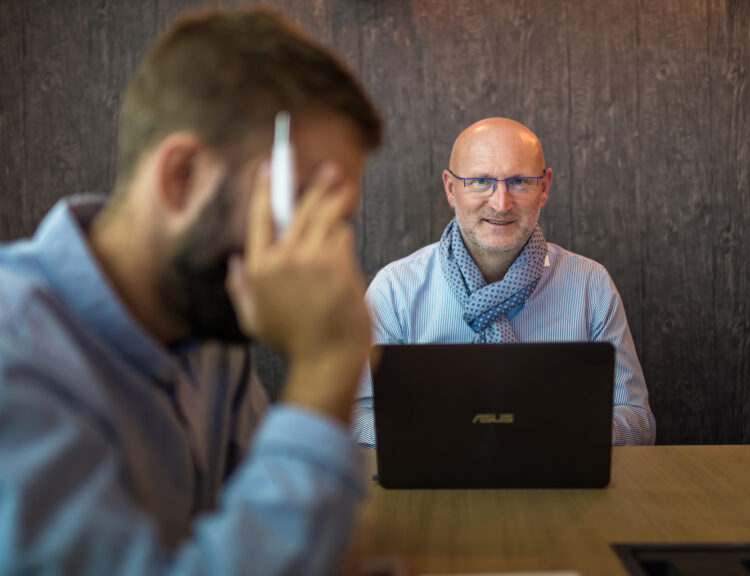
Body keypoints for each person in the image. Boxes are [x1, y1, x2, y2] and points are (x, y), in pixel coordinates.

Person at [0, 7, 381, 575]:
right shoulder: (16, 354)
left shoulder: (210, 326)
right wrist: (326, 364)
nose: (318, 254)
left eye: (334, 221)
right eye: (299, 209)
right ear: (182, 177)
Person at [352, 117, 656, 447]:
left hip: (559, 489)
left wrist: (549, 434)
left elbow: (636, 418)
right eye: (481, 181)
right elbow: (355, 415)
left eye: (520, 182)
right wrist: (446, 435)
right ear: (451, 189)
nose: (501, 203)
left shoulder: (590, 286)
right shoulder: (395, 290)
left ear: (545, 188)